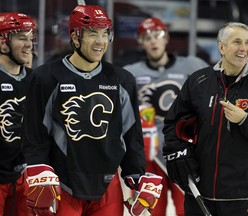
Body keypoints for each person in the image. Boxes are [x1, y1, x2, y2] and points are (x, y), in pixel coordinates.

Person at [22, 5, 163, 216]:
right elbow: (35, 132)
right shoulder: (46, 77)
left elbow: (130, 133)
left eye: (105, 33)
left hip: (108, 185)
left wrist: (136, 173)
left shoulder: (122, 80)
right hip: (62, 184)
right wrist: (38, 167)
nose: (100, 41)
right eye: (92, 34)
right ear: (75, 38)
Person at [162, 22, 248, 216]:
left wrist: (245, 120)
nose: (244, 48)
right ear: (221, 46)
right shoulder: (198, 81)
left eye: (247, 42)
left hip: (242, 197)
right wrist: (178, 152)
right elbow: (173, 123)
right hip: (198, 193)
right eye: (237, 42)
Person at [124, 17, 208, 216]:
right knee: (150, 211)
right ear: (140, 42)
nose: (153, 41)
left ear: (166, 38)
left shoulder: (192, 66)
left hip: (184, 151)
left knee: (187, 209)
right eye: (147, 37)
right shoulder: (130, 74)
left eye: (158, 35)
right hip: (149, 155)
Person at [0, 12, 36, 216]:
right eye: (22, 38)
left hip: (25, 178)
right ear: (3, 43)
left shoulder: (36, 80)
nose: (29, 44)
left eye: (30, 38)